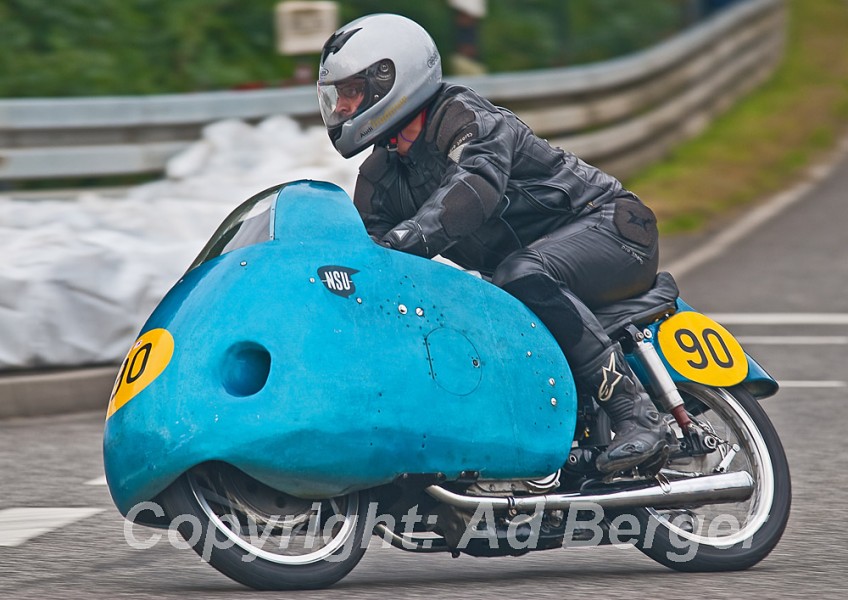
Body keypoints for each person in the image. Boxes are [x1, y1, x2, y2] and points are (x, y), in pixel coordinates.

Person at [317, 14, 672, 475]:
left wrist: (411, 238)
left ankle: (636, 412)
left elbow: (473, 188)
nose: (343, 108)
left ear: (391, 77)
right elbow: (368, 253)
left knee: (521, 273)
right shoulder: (381, 176)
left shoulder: (465, 118)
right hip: (532, 271)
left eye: (351, 93)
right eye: (338, 98)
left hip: (614, 230)